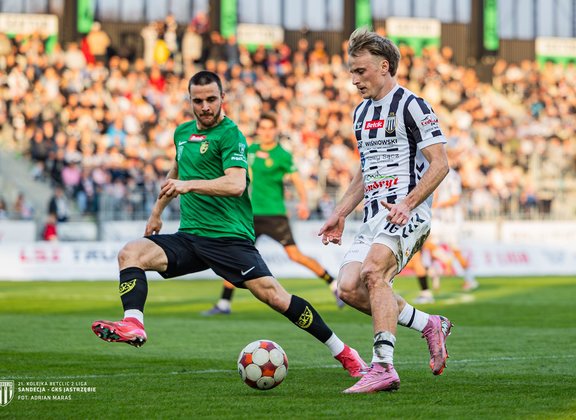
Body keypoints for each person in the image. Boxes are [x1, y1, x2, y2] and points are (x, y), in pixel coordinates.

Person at [91, 71, 368, 379]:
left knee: (276, 297)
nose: (205, 107)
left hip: (229, 239)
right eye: (198, 101)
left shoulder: (230, 135)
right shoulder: (182, 133)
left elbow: (235, 184)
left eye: (211, 99)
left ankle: (344, 352)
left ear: (222, 98)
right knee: (131, 253)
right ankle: (133, 323)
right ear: (190, 101)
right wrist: (156, 212)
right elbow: (175, 174)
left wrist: (189, 185)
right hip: (190, 237)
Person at [318, 28, 453, 393]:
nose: (354, 79)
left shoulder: (413, 105)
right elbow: (367, 170)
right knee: (348, 288)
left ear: (384, 66)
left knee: (374, 272)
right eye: (352, 71)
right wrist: (341, 212)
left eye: (360, 71)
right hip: (374, 216)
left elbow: (440, 163)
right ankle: (429, 323)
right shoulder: (360, 113)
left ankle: (383, 366)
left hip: (408, 212)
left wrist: (408, 203)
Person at [202, 113, 343, 316]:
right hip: (250, 215)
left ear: (275, 130)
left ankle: (333, 283)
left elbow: (297, 180)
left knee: (295, 255)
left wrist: (303, 202)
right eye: (263, 128)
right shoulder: (250, 150)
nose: (266, 132)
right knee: (236, 255)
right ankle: (224, 303)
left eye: (270, 128)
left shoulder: (282, 155)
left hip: (275, 214)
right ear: (258, 130)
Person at [430, 154, 478, 291]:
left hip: (452, 220)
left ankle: (470, 279)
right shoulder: (436, 173)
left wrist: (437, 204)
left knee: (456, 250)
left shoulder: (453, 176)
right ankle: (439, 270)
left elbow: (455, 198)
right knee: (429, 244)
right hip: (439, 217)